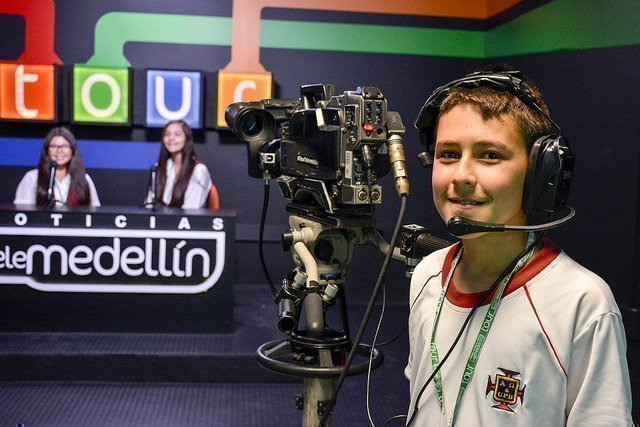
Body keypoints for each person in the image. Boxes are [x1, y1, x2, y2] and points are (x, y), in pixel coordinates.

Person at [405, 68, 632, 425]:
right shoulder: (427, 275)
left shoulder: (583, 303)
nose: (461, 175)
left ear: (542, 172)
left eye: (490, 155)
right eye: (447, 154)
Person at [14, 126, 100, 207]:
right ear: (47, 150)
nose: (59, 150)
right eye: (54, 146)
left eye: (65, 146)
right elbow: (21, 210)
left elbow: (95, 210)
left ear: (72, 150)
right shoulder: (32, 177)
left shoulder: (84, 179)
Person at [145, 120, 212, 209]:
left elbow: (191, 210)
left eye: (177, 134)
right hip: (160, 221)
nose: (171, 138)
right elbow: (149, 205)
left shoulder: (199, 170)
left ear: (187, 139)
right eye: (167, 134)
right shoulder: (158, 168)